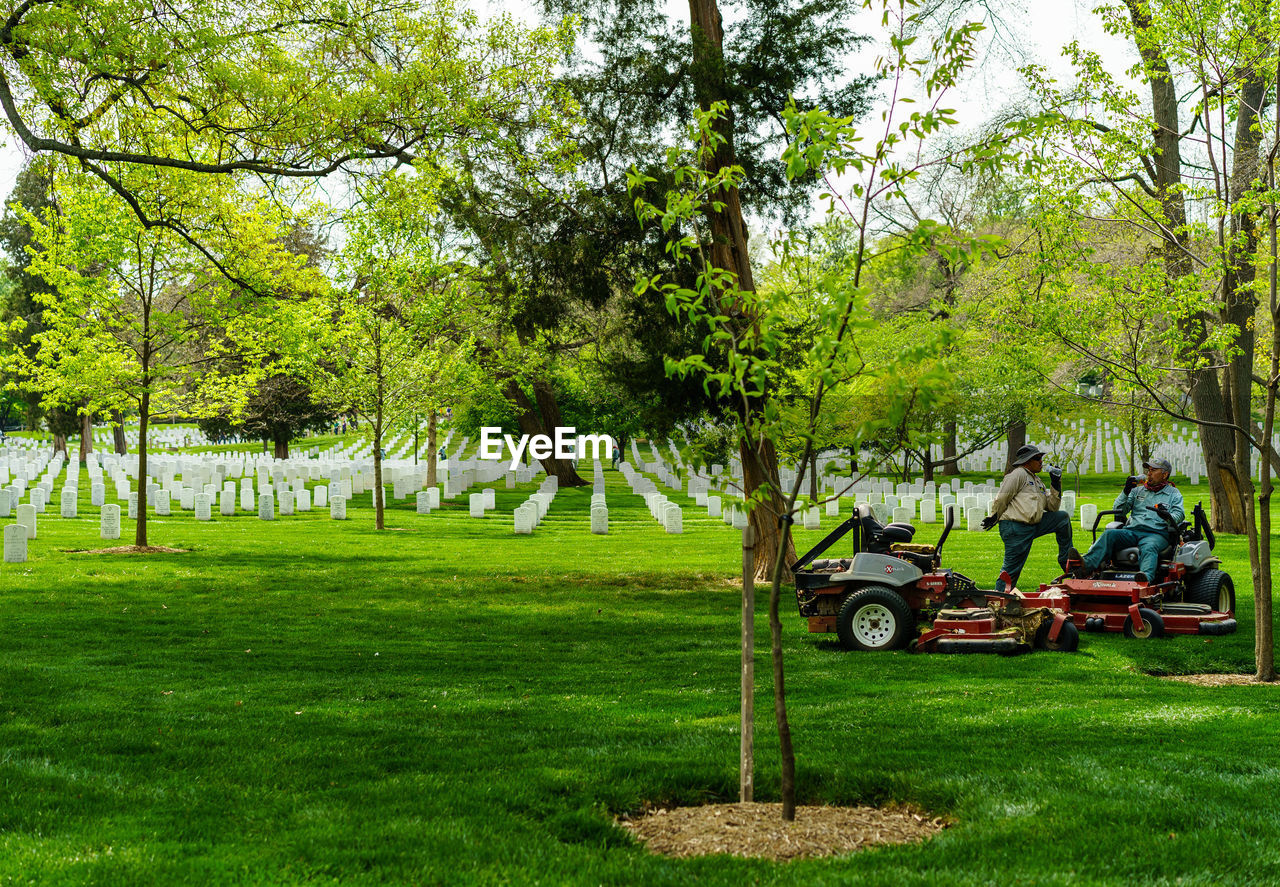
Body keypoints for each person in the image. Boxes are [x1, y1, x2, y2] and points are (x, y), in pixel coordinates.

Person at [982, 444, 1076, 593]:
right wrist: (993, 516)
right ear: (1026, 461)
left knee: (1062, 518)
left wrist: (1056, 483)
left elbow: (1052, 507)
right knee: (1012, 568)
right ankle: (999, 598)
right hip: (1015, 527)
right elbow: (1003, 498)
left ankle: (1067, 562)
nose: (1041, 461)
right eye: (1037, 458)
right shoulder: (1018, 475)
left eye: (1041, 458)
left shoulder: (1037, 480)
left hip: (1033, 525)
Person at [1073, 457, 1183, 582]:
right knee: (1110, 534)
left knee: (1149, 546)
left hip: (1156, 533)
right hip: (1133, 531)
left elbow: (1179, 515)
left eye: (1153, 470)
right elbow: (1119, 509)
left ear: (1165, 475)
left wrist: (1166, 515)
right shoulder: (1137, 490)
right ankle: (1085, 566)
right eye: (1148, 470)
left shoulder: (1174, 493)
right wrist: (1125, 491)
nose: (1149, 473)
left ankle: (1145, 578)